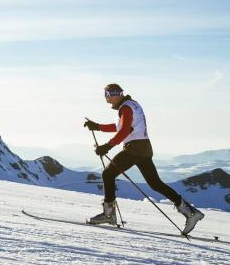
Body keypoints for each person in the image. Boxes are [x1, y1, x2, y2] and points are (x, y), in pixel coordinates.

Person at [84, 83, 204, 235]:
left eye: (107, 96)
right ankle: (190, 212)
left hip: (134, 149)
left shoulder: (126, 108)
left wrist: (107, 146)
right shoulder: (131, 105)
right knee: (155, 183)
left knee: (108, 174)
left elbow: (125, 130)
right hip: (144, 148)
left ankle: (108, 214)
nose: (107, 100)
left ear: (114, 94)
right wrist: (97, 126)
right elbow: (121, 127)